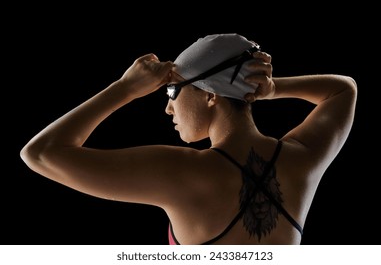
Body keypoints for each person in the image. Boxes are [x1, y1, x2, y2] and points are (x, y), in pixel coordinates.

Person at [20, 33, 357, 245]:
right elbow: (342, 89)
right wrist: (269, 90)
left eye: (172, 90)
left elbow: (41, 154)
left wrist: (125, 89)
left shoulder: (179, 172)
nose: (168, 107)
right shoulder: (303, 159)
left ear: (211, 95)